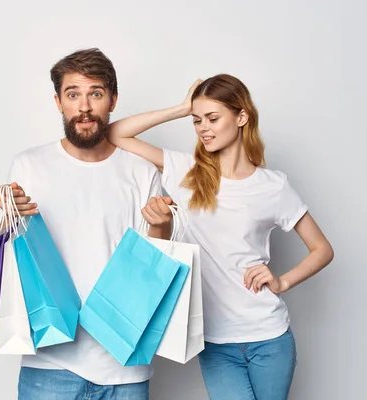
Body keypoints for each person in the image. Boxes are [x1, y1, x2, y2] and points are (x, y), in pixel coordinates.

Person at [108, 74, 334, 400]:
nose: (203, 128)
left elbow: (322, 249)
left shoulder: (273, 186)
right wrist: (181, 107)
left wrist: (283, 282)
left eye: (213, 118)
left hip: (270, 337)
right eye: (197, 120)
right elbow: (116, 133)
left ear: (241, 117)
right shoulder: (186, 172)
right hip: (215, 342)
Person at [0, 48, 174, 400]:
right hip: (49, 364)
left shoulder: (140, 171)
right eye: (73, 94)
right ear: (59, 102)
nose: (85, 107)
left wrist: (162, 226)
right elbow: (6, 262)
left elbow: (156, 262)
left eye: (96, 93)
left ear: (113, 100)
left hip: (124, 366)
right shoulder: (29, 165)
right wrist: (9, 220)